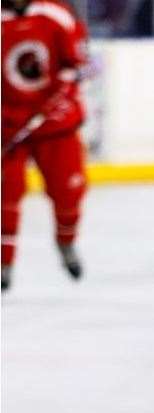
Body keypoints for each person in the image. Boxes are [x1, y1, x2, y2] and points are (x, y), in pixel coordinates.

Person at [1, 0, 88, 292]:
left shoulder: (55, 14)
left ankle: (66, 243)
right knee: (5, 196)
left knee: (69, 191)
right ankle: (4, 263)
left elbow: (76, 65)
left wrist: (59, 99)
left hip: (56, 126)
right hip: (7, 127)